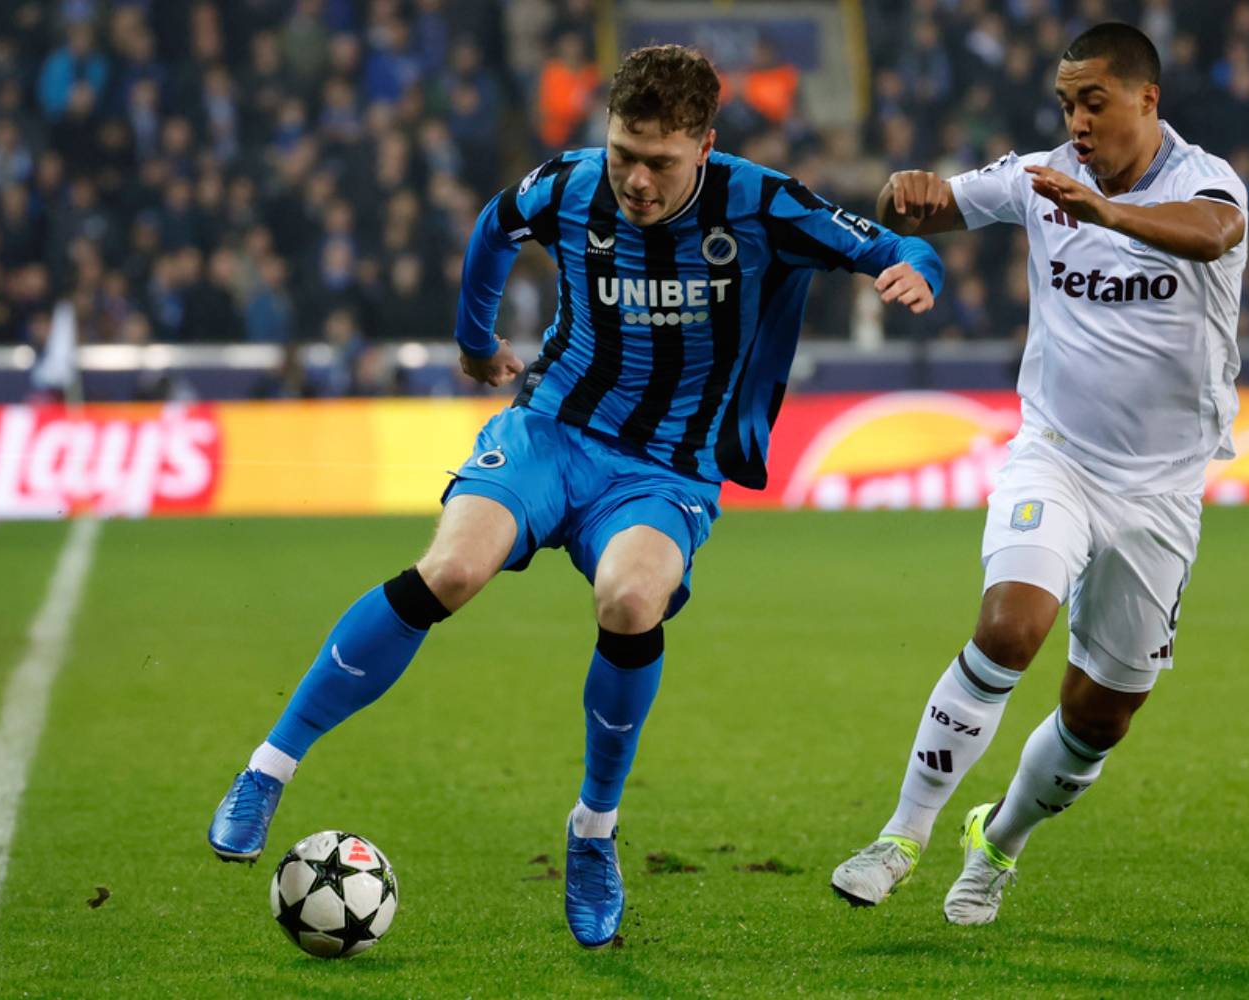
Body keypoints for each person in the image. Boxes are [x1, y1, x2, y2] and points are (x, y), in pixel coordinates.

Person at [208, 44, 942, 950]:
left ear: (705, 146)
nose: (635, 179)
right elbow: (493, 227)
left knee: (631, 601)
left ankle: (593, 831)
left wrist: (920, 270)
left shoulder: (763, 203)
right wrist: (474, 341)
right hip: (552, 429)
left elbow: (895, 245)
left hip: (666, 468)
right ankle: (268, 768)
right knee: (451, 569)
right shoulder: (568, 184)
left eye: (659, 162)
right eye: (624, 152)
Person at [829, 22, 1248, 926]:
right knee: (1010, 628)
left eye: (1094, 101)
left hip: (1161, 491)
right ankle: (900, 836)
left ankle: (998, 841)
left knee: (1099, 719)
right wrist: (906, 193)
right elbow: (933, 206)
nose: (1077, 122)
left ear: (1147, 98)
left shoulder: (1204, 180)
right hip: (1056, 455)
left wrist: (1104, 213)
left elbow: (1216, 233)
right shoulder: (1038, 176)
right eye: (1066, 105)